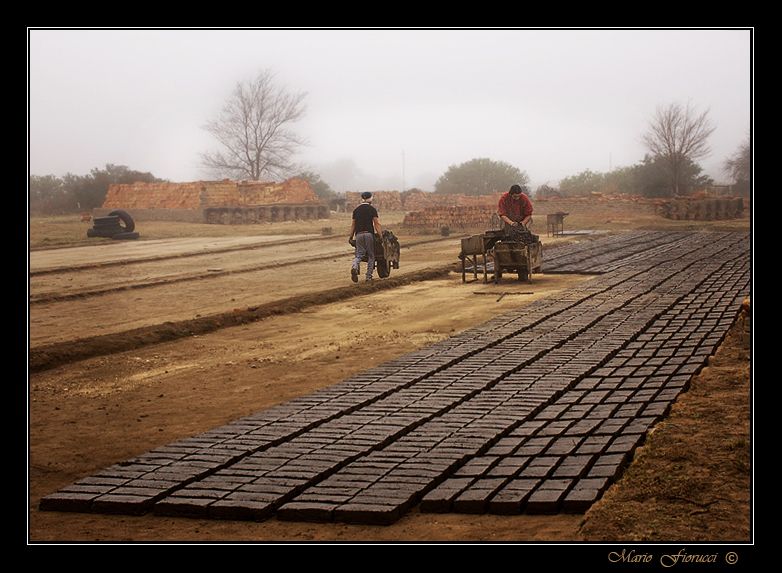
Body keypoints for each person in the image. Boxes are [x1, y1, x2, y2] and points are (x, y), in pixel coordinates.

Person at [349, 191, 383, 282]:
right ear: (370, 199)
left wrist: (351, 237)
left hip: (359, 235)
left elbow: (353, 225)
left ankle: (355, 267)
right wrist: (380, 235)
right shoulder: (372, 209)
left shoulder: (356, 210)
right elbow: (376, 223)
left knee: (359, 254)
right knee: (371, 256)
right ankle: (368, 276)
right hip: (368, 234)